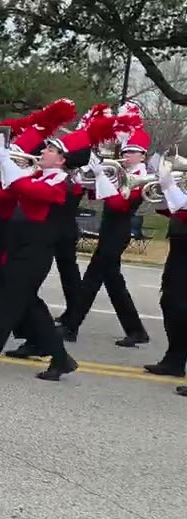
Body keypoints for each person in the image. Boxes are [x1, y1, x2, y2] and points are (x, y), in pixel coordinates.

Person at [0, 112, 87, 381]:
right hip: (16, 249)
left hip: (33, 254)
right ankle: (61, 360)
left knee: (4, 308)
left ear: (62, 160)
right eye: (47, 147)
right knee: (31, 309)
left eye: (51, 149)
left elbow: (28, 190)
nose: (44, 151)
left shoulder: (62, 184)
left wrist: (5, 159)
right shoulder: (36, 176)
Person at [57, 108, 151, 346]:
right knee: (112, 283)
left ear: (143, 156)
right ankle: (136, 330)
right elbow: (96, 196)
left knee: (93, 280)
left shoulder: (142, 177)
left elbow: (120, 204)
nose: (127, 156)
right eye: (126, 151)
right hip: (109, 230)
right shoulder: (122, 173)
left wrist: (100, 176)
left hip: (118, 232)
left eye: (133, 153)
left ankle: (71, 325)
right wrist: (91, 176)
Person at [146, 163, 186, 387]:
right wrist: (163, 191)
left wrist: (169, 185)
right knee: (169, 302)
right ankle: (174, 360)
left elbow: (182, 205)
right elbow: (174, 208)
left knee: (182, 307)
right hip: (179, 247)